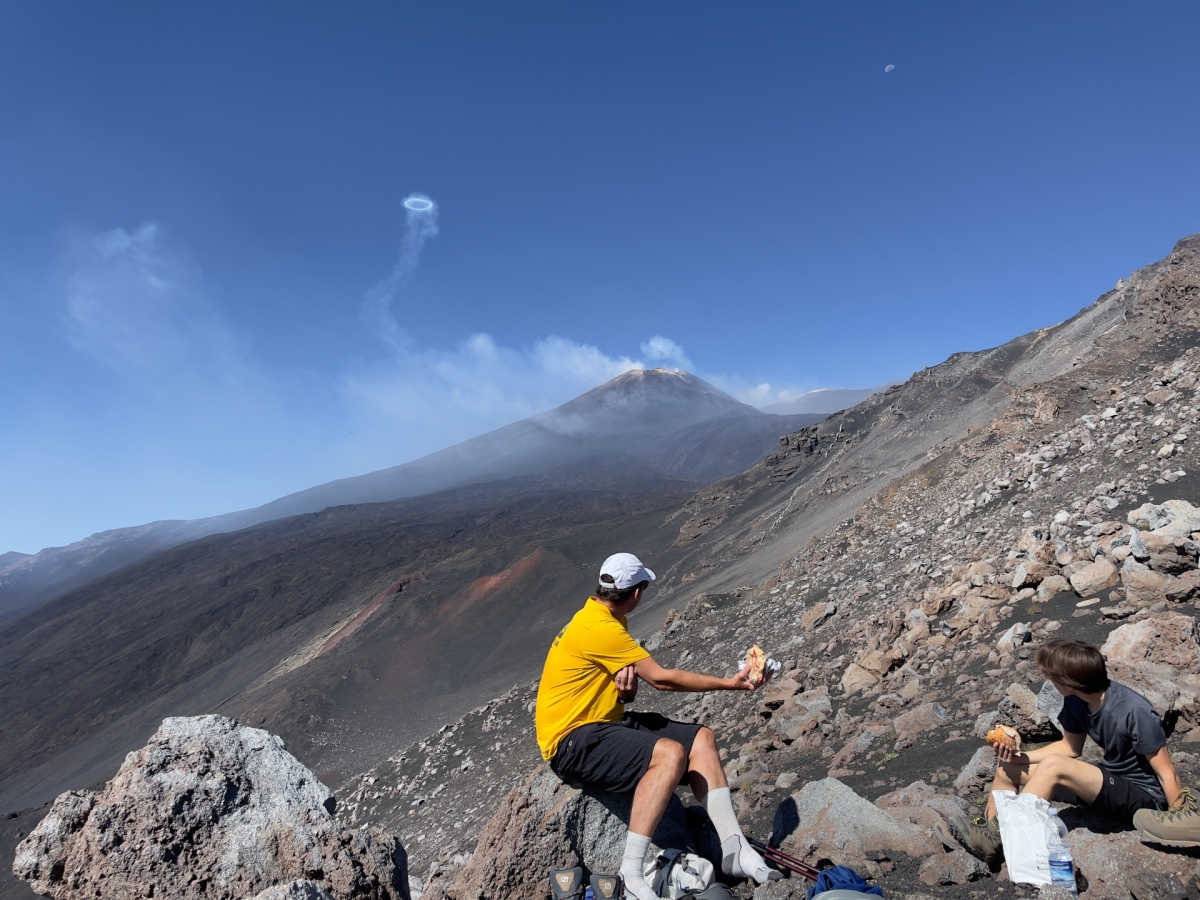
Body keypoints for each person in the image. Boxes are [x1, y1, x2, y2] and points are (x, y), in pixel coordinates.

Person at [535, 552, 781, 900]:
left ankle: (734, 850)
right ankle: (631, 875)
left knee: (701, 740)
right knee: (669, 754)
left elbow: (601, 689)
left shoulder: (600, 617)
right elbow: (663, 680)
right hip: (570, 743)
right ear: (635, 593)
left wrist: (625, 695)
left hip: (602, 723)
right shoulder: (601, 627)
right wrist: (730, 683)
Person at [946, 639, 1185, 864]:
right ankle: (990, 839)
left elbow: (1168, 774)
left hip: (1145, 798)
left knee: (1055, 765)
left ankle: (998, 834)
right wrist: (1020, 758)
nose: (1048, 681)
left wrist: (1178, 823)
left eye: (1051, 678)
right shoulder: (1075, 701)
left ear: (1069, 684)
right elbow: (1070, 747)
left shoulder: (1135, 711)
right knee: (1008, 768)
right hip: (1107, 781)